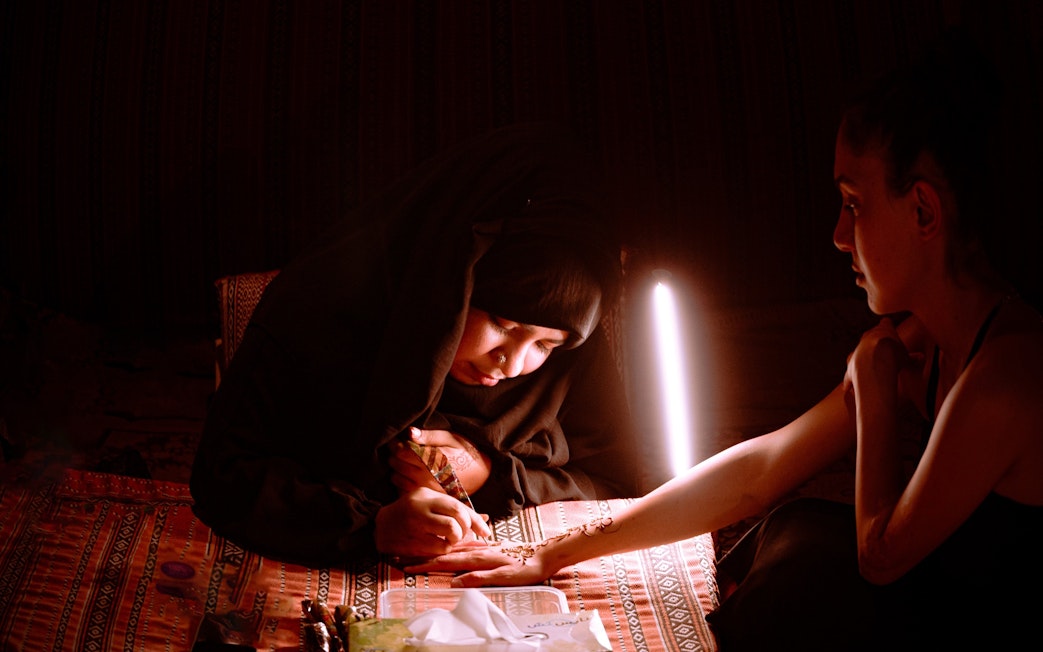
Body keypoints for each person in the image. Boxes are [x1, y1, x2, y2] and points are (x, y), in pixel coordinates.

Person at [406, 30, 1043, 649]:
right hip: (935, 596)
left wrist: (876, 397)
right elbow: (760, 470)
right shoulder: (924, 338)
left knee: (806, 570)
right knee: (791, 533)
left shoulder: (1007, 376)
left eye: (853, 204)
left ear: (924, 211)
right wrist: (557, 553)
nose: (838, 235)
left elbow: (882, 556)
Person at [190, 123, 671, 568]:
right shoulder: (318, 309)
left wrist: (492, 476)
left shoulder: (568, 347)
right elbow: (222, 475)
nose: (512, 363)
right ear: (449, 287)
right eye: (503, 323)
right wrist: (371, 527)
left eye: (546, 344)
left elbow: (615, 484)